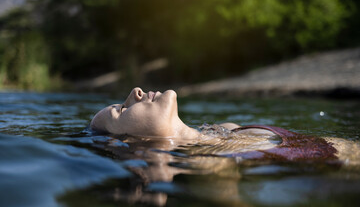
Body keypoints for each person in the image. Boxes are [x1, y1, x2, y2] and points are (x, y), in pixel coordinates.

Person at [90, 87, 347, 163]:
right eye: (121, 110)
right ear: (134, 142)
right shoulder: (209, 166)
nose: (135, 91)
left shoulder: (222, 129)